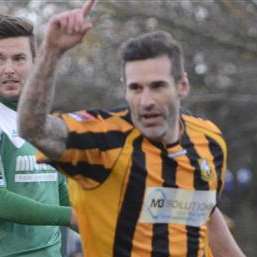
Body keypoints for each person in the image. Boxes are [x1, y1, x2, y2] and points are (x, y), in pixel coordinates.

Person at [18, 1, 246, 256]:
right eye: (136, 88)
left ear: (182, 86)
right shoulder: (104, 140)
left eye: (157, 86)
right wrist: (51, 51)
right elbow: (33, 128)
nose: (146, 101)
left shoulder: (209, 140)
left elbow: (207, 211)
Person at [0, 15, 77, 257]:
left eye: (19, 58)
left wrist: (97, 223)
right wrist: (69, 217)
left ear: (35, 62)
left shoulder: (44, 123)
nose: (9, 69)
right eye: (0, 59)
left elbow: (60, 187)